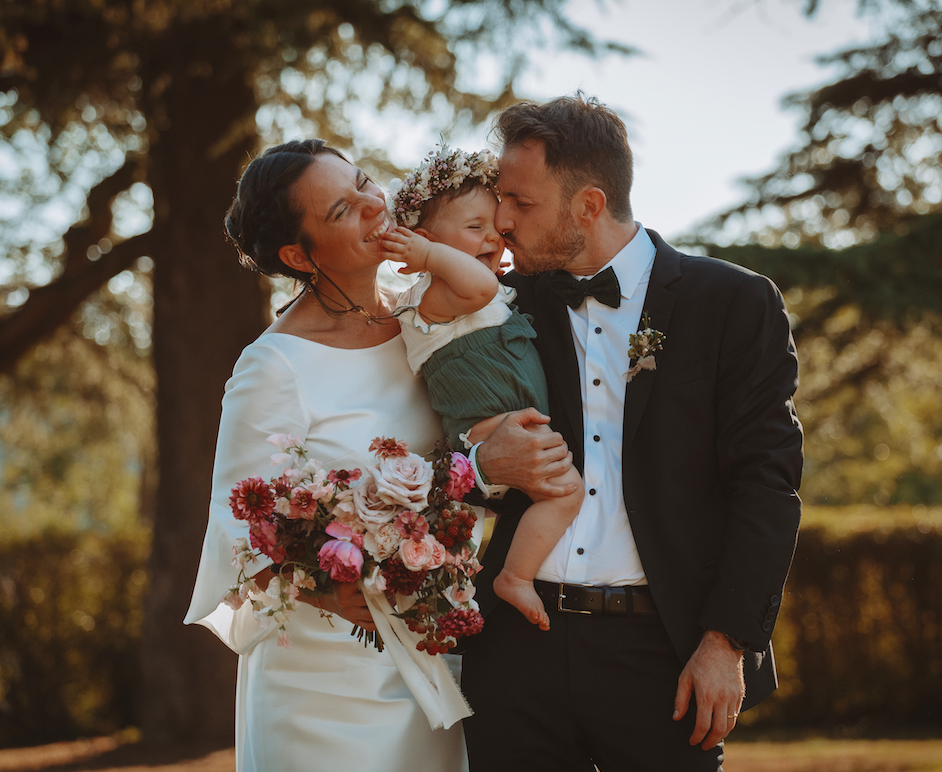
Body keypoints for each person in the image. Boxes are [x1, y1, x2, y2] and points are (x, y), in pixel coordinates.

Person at [461, 94, 805, 771]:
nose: (500, 221)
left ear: (588, 205)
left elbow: (765, 482)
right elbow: (433, 425)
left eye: (520, 204)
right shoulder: (495, 306)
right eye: (499, 199)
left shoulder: (731, 303)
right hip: (516, 653)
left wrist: (725, 642)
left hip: (663, 656)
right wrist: (477, 462)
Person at [183, 139, 469, 771]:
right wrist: (334, 592)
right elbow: (241, 538)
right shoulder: (275, 365)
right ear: (297, 254)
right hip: (325, 684)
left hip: (430, 655)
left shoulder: (426, 319)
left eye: (365, 182)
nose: (374, 204)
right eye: (342, 209)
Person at [377, 145, 584, 630]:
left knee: (560, 492)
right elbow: (480, 289)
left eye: (495, 226)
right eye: (475, 229)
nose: (494, 236)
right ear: (424, 244)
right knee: (566, 492)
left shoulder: (477, 287)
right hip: (489, 424)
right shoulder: (434, 293)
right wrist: (429, 257)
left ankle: (513, 572)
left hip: (507, 419)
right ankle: (514, 575)